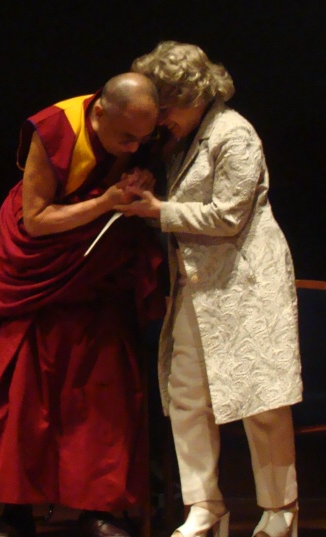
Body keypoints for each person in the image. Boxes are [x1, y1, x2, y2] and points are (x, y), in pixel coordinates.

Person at [0, 73, 165, 537]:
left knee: (103, 392)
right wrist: (108, 202)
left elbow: (131, 176)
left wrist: (137, 182)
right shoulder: (56, 128)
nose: (133, 146)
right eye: (126, 137)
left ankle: (101, 507)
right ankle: (14, 507)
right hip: (39, 272)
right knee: (23, 394)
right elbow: (36, 219)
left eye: (142, 140)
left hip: (96, 280)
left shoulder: (138, 131)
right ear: (100, 112)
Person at [120, 41, 302, 537]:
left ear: (194, 95)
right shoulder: (184, 139)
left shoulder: (234, 134)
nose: (162, 120)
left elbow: (227, 215)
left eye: (167, 108)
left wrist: (157, 210)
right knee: (186, 396)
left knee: (261, 400)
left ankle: (279, 511)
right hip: (198, 285)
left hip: (246, 282)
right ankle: (205, 505)